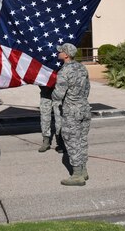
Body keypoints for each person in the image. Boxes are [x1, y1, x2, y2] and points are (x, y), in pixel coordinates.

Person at [52, 42, 91, 186]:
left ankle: (76, 175)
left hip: (71, 111)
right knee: (82, 140)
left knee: (72, 142)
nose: (58, 53)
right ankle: (83, 170)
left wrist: (54, 97)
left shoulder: (64, 71)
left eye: (61, 51)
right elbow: (87, 88)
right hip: (84, 108)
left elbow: (59, 94)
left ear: (66, 55)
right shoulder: (82, 67)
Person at [38, 86, 63, 153]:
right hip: (45, 92)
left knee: (59, 118)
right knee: (44, 117)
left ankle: (60, 141)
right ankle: (46, 141)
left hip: (58, 91)